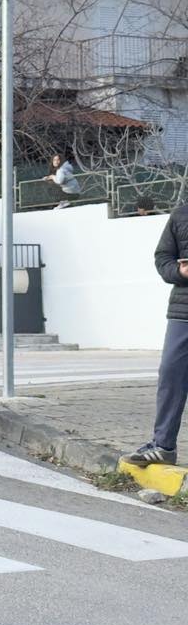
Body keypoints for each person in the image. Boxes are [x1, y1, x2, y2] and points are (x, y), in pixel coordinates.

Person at [124, 200, 188, 466]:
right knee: (171, 374)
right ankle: (163, 446)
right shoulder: (181, 214)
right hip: (183, 310)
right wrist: (180, 271)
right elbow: (163, 257)